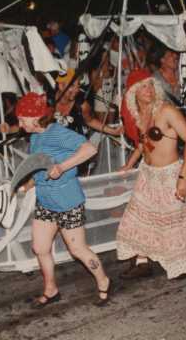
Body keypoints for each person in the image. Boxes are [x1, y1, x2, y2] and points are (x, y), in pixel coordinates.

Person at [14, 92, 112, 308]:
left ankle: (103, 279)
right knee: (40, 248)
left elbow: (90, 149)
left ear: (34, 117)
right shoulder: (35, 137)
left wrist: (63, 167)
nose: (19, 124)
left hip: (68, 202)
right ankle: (51, 289)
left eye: (21, 119)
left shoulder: (57, 133)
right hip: (45, 202)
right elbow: (38, 167)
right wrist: (24, 186)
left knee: (78, 250)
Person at [116, 68, 186, 280]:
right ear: (133, 92)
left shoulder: (167, 111)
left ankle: (181, 262)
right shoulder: (140, 115)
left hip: (170, 175)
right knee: (137, 218)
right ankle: (142, 262)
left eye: (151, 84)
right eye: (142, 86)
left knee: (172, 224)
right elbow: (143, 144)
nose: (148, 90)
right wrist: (129, 164)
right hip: (148, 174)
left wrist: (182, 177)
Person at [54, 68, 123, 138]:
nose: (77, 89)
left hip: (76, 143)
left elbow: (90, 121)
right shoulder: (49, 100)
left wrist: (113, 131)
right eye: (72, 85)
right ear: (61, 86)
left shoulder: (82, 105)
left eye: (78, 85)